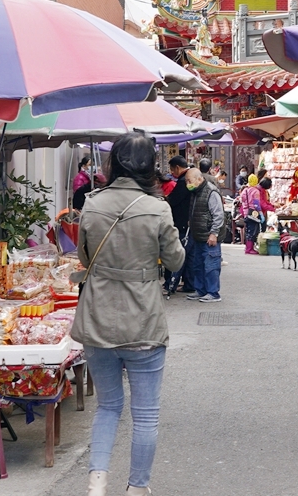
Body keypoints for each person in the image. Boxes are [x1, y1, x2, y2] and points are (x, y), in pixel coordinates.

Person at [72, 132, 185, 496]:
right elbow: (176, 260)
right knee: (146, 413)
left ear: (114, 163)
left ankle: (96, 482)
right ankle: (137, 488)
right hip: (144, 319)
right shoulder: (158, 208)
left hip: (98, 316)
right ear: (151, 166)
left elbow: (84, 260)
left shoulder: (92, 203)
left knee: (107, 407)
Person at [184, 167, 224, 302]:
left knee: (211, 265)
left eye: (189, 181)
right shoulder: (195, 192)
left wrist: (214, 233)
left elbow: (218, 215)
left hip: (209, 236)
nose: (187, 184)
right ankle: (200, 290)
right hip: (198, 235)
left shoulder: (211, 191)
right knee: (198, 265)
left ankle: (213, 293)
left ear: (199, 179)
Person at [165, 156, 193, 294]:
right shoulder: (188, 178)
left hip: (182, 222)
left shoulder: (183, 181)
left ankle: (172, 284)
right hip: (187, 222)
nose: (172, 173)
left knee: (180, 253)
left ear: (177, 167)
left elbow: (174, 200)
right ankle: (187, 283)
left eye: (172, 169)